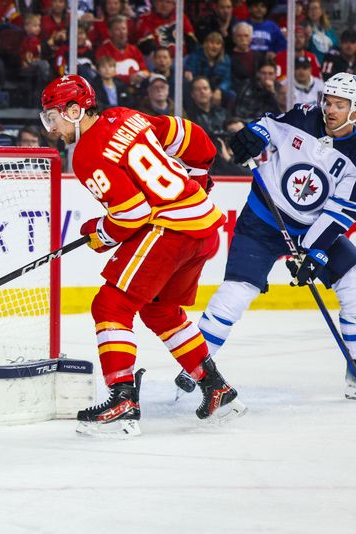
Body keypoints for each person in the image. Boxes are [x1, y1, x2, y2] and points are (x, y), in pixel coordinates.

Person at [39, 74, 247, 437]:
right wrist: (197, 178)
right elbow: (193, 137)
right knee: (160, 309)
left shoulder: (87, 154)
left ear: (74, 110)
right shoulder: (125, 115)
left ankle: (122, 402)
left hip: (172, 230)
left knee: (110, 306)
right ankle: (217, 390)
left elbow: (131, 215)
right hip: (202, 225)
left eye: (52, 117)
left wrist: (99, 233)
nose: (51, 128)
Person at [178, 72, 356, 400]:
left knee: (354, 283)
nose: (330, 109)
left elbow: (340, 210)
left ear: (355, 111)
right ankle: (196, 366)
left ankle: (355, 367)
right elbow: (268, 124)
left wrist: (314, 252)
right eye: (328, 101)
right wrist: (255, 135)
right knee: (236, 291)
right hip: (262, 220)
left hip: (312, 227)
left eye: (340, 105)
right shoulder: (304, 115)